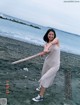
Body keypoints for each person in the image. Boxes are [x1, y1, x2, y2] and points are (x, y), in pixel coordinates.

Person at [32, 28, 60, 102]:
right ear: (47, 35)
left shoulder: (56, 40)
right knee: (43, 76)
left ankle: (40, 96)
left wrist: (48, 47)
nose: (51, 35)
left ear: (54, 35)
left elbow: (52, 43)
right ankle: (41, 87)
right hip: (47, 63)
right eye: (49, 34)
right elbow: (45, 52)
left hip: (55, 65)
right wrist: (43, 53)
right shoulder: (46, 44)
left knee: (45, 78)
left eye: (52, 34)